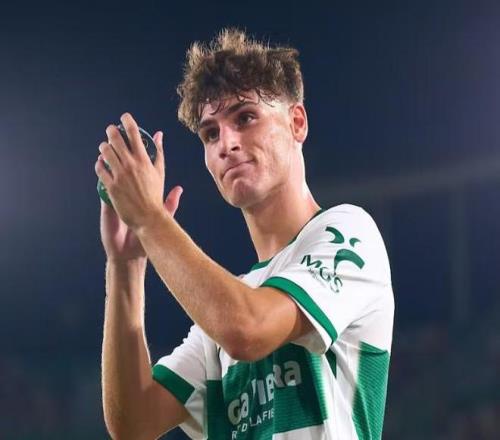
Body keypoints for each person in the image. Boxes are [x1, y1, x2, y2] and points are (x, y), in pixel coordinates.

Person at [96, 28, 394, 440]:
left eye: (245, 118)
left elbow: (247, 330)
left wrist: (150, 219)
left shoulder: (348, 232)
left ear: (297, 122)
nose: (227, 144)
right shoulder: (220, 314)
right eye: (211, 133)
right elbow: (133, 424)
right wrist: (126, 264)